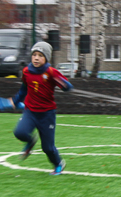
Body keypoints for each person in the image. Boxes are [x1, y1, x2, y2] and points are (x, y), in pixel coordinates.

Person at [9, 41, 73, 175]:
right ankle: (30, 142)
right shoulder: (26, 71)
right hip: (30, 111)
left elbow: (67, 86)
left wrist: (64, 84)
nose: (36, 58)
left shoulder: (51, 72)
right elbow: (23, 91)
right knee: (19, 132)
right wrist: (15, 102)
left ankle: (58, 163)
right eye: (34, 55)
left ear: (46, 58)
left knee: (47, 147)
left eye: (40, 55)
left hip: (47, 114)